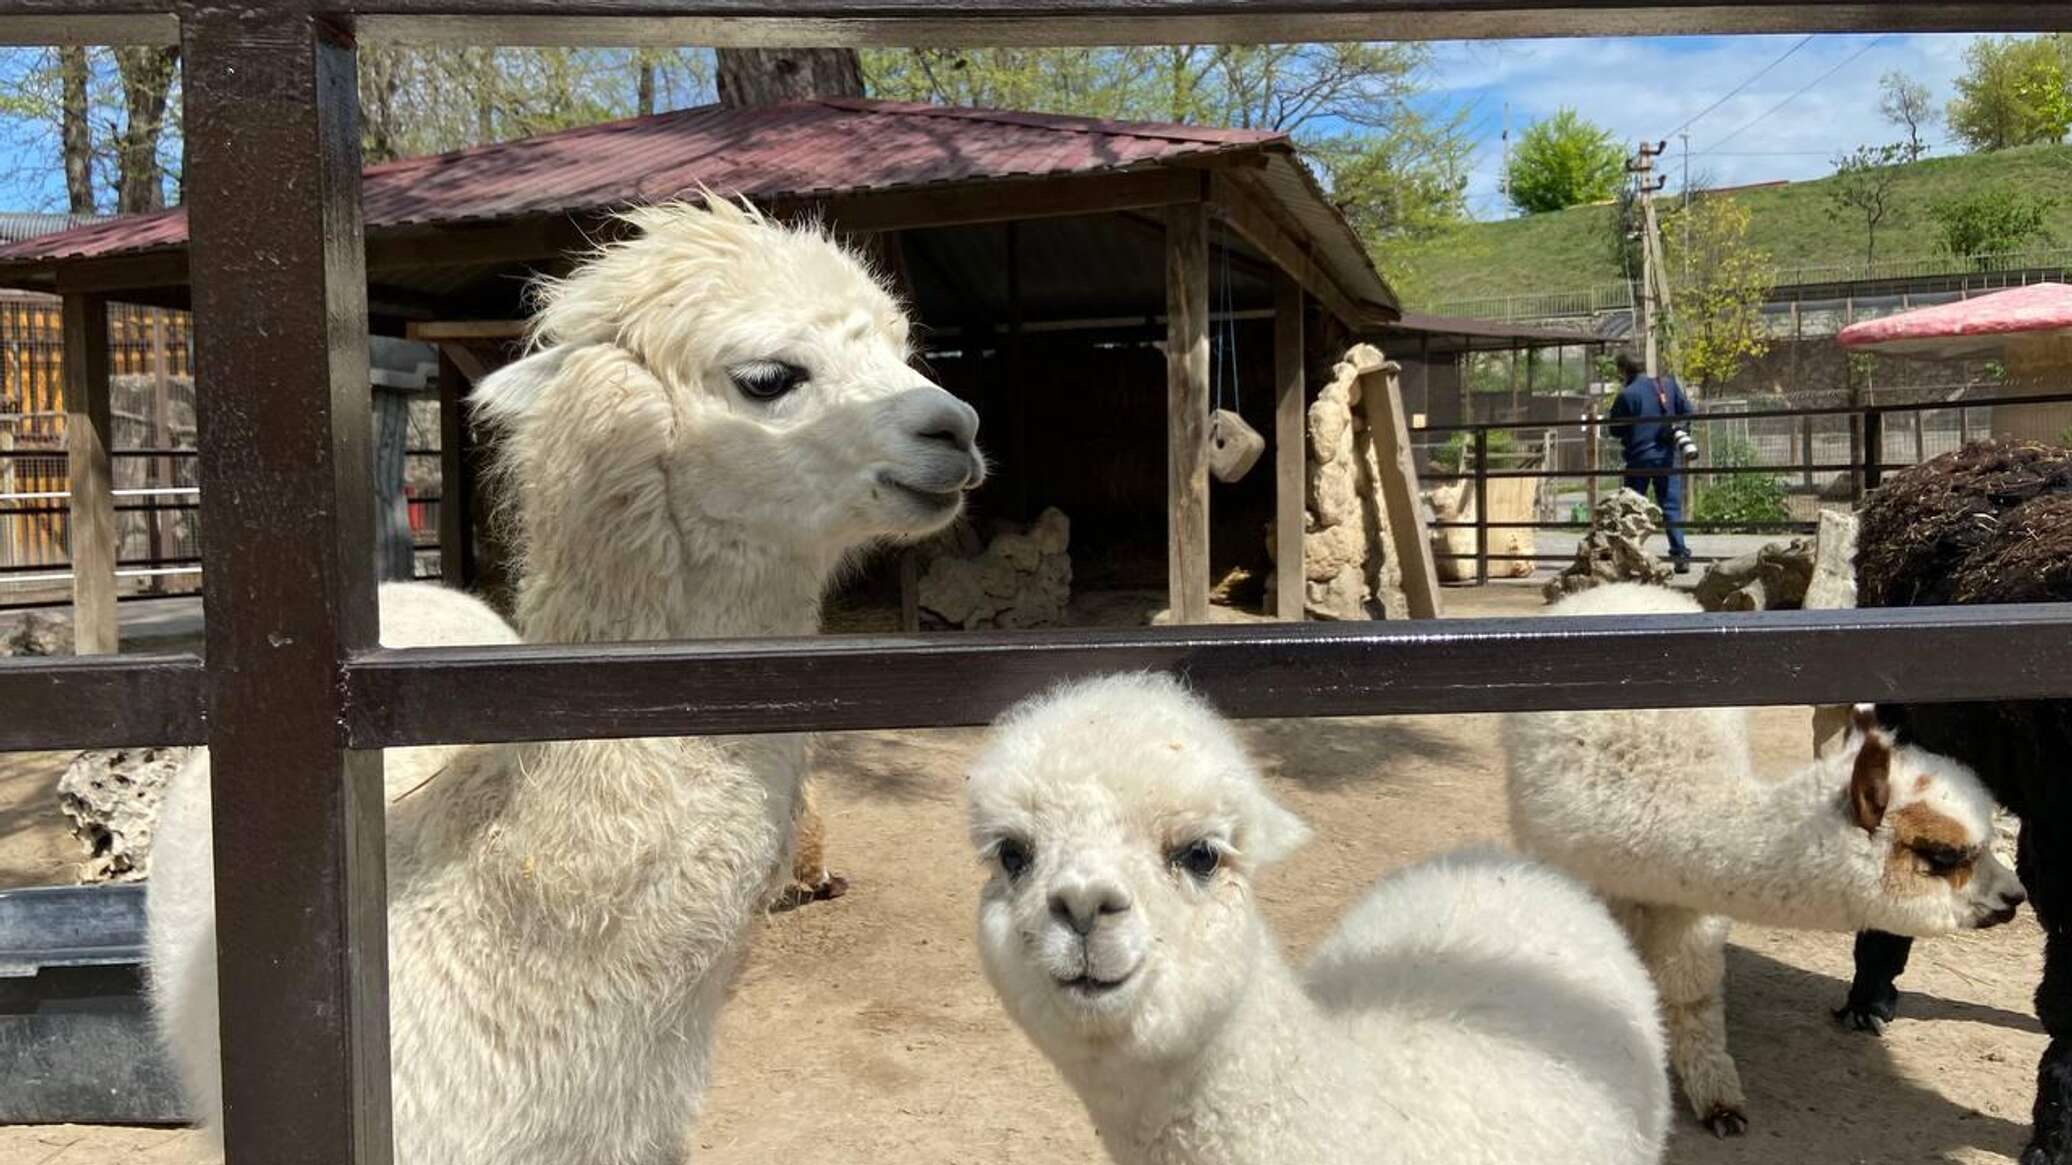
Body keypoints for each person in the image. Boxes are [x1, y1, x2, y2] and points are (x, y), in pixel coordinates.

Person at [1606, 350, 1693, 573]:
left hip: (1638, 460)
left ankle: (1630, 555)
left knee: (1633, 510)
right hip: (1666, 458)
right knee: (1671, 508)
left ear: (1623, 371)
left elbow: (1614, 429)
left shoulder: (1626, 395)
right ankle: (1680, 554)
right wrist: (1676, 431)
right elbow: (1688, 412)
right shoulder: (1668, 385)